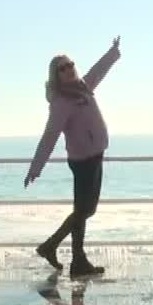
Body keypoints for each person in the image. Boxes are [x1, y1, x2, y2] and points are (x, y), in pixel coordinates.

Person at [23, 37, 121, 278]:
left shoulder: (83, 87)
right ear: (56, 76)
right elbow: (49, 136)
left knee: (83, 210)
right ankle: (51, 246)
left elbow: (98, 71)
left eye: (70, 65)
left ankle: (77, 261)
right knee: (85, 210)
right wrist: (36, 167)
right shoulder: (61, 102)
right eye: (62, 68)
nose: (68, 69)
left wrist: (112, 52)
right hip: (83, 161)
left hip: (95, 156)